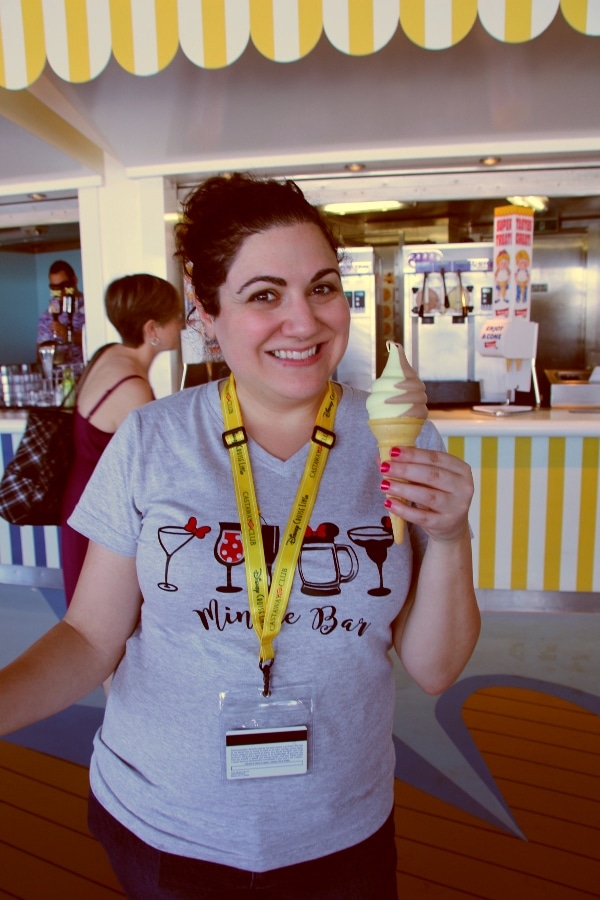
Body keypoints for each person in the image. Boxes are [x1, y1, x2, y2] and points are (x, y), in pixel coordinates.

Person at [0, 174, 480, 899]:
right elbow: (91, 636)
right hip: (165, 824)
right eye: (264, 296)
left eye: (322, 288)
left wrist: (450, 540)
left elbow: (435, 670)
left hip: (337, 828)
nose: (305, 321)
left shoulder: (396, 440)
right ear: (205, 307)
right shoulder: (152, 438)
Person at [60, 273, 183, 606]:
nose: (181, 325)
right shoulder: (132, 389)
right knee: (105, 621)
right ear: (152, 329)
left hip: (83, 499)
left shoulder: (109, 354)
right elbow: (161, 470)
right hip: (104, 515)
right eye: (175, 317)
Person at [37, 260, 86, 366]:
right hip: (59, 377)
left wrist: (69, 335)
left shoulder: (91, 308)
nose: (61, 291)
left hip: (87, 374)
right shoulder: (47, 316)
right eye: (55, 288)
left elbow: (99, 342)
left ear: (74, 280)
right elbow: (40, 352)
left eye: (65, 285)